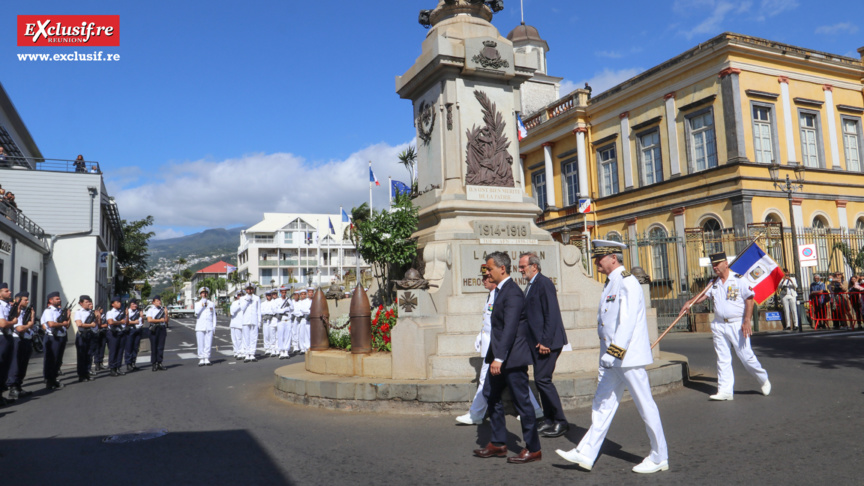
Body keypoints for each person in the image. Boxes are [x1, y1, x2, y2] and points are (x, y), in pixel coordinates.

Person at [556, 240, 669, 474]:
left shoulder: (627, 282)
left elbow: (626, 321)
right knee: (602, 403)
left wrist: (615, 350)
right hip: (611, 358)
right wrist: (607, 354)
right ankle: (586, 452)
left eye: (600, 258)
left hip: (626, 358)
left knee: (645, 405)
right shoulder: (610, 283)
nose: (597, 262)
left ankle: (659, 456)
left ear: (613, 258)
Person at [472, 251, 541, 465]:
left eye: (490, 269)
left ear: (502, 269)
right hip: (501, 356)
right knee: (491, 394)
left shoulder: (512, 293)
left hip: (512, 359)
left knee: (522, 403)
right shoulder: (501, 291)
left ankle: (533, 448)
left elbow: (510, 328)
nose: (487, 273)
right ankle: (499, 443)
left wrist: (499, 358)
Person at [456, 265, 543, 425]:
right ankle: (535, 410)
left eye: (486, 278)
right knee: (512, 382)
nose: (483, 280)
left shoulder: (501, 295)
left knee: (495, 380)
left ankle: (476, 414)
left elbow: (505, 325)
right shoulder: (491, 295)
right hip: (491, 345)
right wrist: (480, 336)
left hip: (498, 346)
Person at [679, 252, 771, 400]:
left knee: (746, 357)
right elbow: (702, 296)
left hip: (737, 324)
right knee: (722, 358)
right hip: (719, 324)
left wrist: (747, 320)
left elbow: (749, 299)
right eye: (713, 265)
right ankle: (725, 390)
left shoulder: (739, 280)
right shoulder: (713, 282)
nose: (714, 267)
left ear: (726, 264)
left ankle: (763, 379)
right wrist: (689, 302)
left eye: (717, 264)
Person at [518, 252, 569, 438]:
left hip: (548, 343)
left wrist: (546, 341)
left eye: (523, 266)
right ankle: (549, 419)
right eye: (520, 266)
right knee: (541, 381)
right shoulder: (531, 285)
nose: (520, 270)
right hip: (539, 342)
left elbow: (551, 313)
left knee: (543, 380)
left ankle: (561, 422)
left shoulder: (544, 283)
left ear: (534, 266)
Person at [6, 291, 36, 400]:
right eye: (25, 300)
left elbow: (28, 327)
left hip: (26, 339)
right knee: (16, 364)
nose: (27, 301)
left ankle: (18, 386)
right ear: (18, 300)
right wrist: (30, 323)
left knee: (23, 364)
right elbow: (19, 328)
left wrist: (31, 319)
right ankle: (13, 388)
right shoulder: (15, 311)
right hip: (17, 339)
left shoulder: (24, 312)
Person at [41, 291, 70, 389]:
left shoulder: (59, 311)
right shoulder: (49, 311)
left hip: (61, 336)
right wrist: (63, 324)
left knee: (58, 360)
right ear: (51, 300)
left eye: (59, 298)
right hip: (53, 337)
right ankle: (50, 381)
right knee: (51, 360)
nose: (59, 300)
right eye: (57, 299)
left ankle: (54, 379)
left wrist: (68, 316)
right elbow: (51, 324)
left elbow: (67, 325)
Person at [73, 296, 100, 382]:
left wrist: (97, 316)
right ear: (81, 303)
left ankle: (87, 373)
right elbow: (79, 324)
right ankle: (81, 375)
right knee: (81, 356)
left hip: (90, 334)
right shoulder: (79, 312)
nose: (89, 303)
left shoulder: (91, 312)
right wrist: (90, 325)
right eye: (87, 302)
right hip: (82, 335)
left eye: (89, 302)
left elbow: (97, 324)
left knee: (89, 355)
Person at [0, 283, 18, 405]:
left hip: (8, 336)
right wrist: (14, 322)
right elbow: (3, 324)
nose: (10, 292)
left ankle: (0, 395)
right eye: (6, 291)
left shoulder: (7, 305)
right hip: (1, 337)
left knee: (5, 368)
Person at [105, 297, 128, 376]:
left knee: (120, 351)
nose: (119, 303)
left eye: (120, 302)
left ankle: (118, 367)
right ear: (112, 304)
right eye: (117, 302)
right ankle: (112, 368)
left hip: (121, 332)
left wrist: (126, 315)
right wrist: (120, 322)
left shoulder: (122, 312)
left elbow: (125, 322)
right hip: (113, 333)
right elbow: (110, 322)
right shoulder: (110, 312)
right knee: (113, 351)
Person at [194, 287, 216, 366]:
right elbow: (197, 312)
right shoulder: (197, 303)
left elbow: (214, 316)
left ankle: (207, 358)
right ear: (200, 295)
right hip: (200, 326)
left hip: (209, 326)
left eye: (206, 293)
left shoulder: (211, 303)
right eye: (203, 293)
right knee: (200, 343)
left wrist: (214, 327)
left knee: (208, 343)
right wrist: (202, 304)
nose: (204, 294)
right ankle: (201, 358)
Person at [146, 296, 169, 371]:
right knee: (154, 347)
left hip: (162, 328)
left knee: (160, 347)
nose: (159, 302)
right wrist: (159, 320)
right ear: (153, 302)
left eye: (159, 300)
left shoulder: (162, 309)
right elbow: (149, 320)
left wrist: (166, 313)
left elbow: (166, 321)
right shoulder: (151, 310)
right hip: (154, 329)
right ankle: (154, 363)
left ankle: (160, 362)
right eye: (157, 301)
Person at [241, 284, 261, 362]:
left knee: (254, 338)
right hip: (246, 321)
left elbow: (258, 310)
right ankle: (247, 354)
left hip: (254, 320)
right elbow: (242, 308)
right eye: (248, 289)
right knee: (246, 338)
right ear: (246, 290)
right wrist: (247, 300)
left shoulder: (257, 298)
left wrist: (259, 321)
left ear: (253, 289)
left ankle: (252, 354)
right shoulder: (243, 298)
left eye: (251, 289)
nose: (249, 290)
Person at [124, 299, 143, 371]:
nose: (135, 305)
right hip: (130, 330)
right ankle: (128, 364)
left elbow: (141, 322)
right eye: (133, 304)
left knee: (135, 348)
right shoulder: (127, 312)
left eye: (136, 304)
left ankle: (133, 363)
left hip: (138, 330)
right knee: (129, 348)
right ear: (130, 305)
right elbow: (125, 322)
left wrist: (141, 316)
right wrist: (133, 322)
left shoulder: (138, 312)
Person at [275, 286, 293, 359]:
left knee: (287, 336)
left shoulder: (288, 300)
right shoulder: (277, 301)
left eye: (285, 292)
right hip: (281, 320)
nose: (284, 293)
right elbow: (275, 310)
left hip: (287, 320)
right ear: (280, 292)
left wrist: (288, 307)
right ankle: (281, 351)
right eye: (282, 292)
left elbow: (292, 308)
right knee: (280, 336)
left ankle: (286, 351)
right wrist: (284, 310)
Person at [229, 290, 248, 359]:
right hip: (235, 323)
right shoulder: (234, 303)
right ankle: (237, 351)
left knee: (243, 339)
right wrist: (240, 304)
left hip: (243, 323)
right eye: (239, 295)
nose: (240, 297)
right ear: (237, 296)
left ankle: (242, 352)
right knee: (236, 339)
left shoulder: (246, 303)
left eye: (242, 295)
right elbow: (232, 312)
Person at [261, 290, 276, 356]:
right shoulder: (263, 303)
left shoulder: (274, 302)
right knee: (266, 335)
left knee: (272, 335)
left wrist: (268, 313)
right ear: (266, 296)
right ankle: (267, 349)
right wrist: (267, 313)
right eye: (267, 295)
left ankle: (273, 349)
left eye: (270, 295)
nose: (269, 296)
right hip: (265, 319)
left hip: (272, 319)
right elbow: (261, 311)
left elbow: (274, 311)